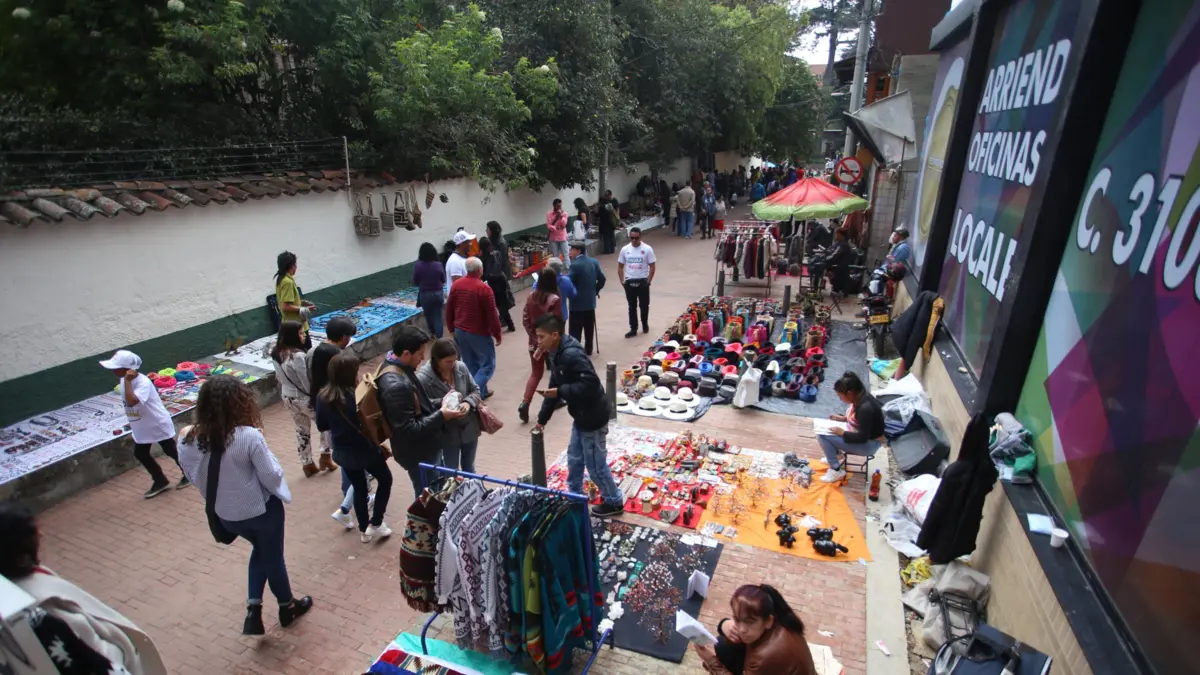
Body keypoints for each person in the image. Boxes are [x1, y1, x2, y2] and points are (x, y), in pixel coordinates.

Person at [177, 375, 313, 635]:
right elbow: (271, 475)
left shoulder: (187, 438)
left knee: (260, 550)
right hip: (262, 512)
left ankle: (254, 608)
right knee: (272, 557)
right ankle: (287, 606)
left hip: (226, 515)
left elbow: (193, 475)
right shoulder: (248, 437)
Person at [0, 502, 169, 675]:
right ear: (19, 552)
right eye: (32, 534)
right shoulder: (40, 607)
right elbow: (91, 648)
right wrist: (121, 654)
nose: (41, 535)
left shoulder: (21, 581)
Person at [531, 314, 623, 518]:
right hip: (581, 416)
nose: (538, 341)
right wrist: (542, 419)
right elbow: (554, 385)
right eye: (537, 337)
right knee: (574, 458)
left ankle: (614, 501)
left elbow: (590, 384)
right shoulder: (555, 353)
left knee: (596, 466)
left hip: (593, 417)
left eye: (541, 337)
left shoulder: (570, 355)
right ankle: (575, 496)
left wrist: (561, 392)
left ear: (555, 335)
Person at [377, 326, 468, 496]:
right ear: (406, 353)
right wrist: (442, 415)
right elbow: (409, 429)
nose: (423, 358)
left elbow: (418, 404)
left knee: (437, 490)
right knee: (428, 498)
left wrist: (441, 401)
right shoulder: (396, 385)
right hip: (419, 454)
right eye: (420, 354)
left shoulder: (397, 367)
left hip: (426, 449)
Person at [316, 352, 394, 543]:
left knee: (359, 488)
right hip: (366, 449)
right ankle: (376, 523)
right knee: (385, 480)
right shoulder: (357, 396)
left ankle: (364, 530)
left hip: (342, 451)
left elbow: (321, 425)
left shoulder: (323, 396)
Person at [99, 349, 187, 498]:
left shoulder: (142, 382)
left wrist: (127, 381)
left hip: (156, 422)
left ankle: (189, 473)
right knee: (141, 453)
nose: (113, 371)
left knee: (170, 450)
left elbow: (132, 401)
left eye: (116, 367)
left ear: (128, 370)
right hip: (142, 424)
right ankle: (160, 480)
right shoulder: (124, 380)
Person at [307, 316, 367, 526]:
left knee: (346, 459)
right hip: (342, 421)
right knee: (357, 465)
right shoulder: (337, 359)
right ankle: (348, 504)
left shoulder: (314, 352)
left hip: (329, 415)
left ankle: (350, 497)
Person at [694, 584, 816, 675]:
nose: (742, 629)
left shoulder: (763, 658)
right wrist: (724, 624)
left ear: (768, 621)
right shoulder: (778, 617)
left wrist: (711, 661)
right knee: (724, 644)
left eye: (749, 622)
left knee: (725, 647)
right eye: (737, 619)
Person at [271, 320, 336, 477]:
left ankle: (307, 463)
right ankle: (325, 455)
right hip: (303, 398)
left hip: (288, 397)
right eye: (300, 333)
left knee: (301, 430)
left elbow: (279, 377)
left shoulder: (276, 353)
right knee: (325, 425)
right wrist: (316, 397)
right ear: (292, 336)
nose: (304, 335)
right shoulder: (298, 356)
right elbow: (306, 381)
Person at [417, 338, 481, 472]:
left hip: (468, 428)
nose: (452, 364)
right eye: (448, 361)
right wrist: (445, 408)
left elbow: (475, 390)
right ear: (436, 360)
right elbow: (423, 406)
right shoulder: (423, 379)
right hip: (446, 434)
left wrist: (467, 403)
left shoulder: (461, 367)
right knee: (450, 471)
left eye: (454, 360)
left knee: (470, 467)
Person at [445, 257, 502, 398]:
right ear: (480, 270)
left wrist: (451, 328)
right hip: (478, 332)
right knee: (488, 365)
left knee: (471, 363)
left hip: (460, 330)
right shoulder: (483, 288)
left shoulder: (456, 285)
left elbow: (449, 308)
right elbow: (492, 314)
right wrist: (497, 333)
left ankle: (481, 392)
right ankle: (472, 393)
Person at [819, 371, 885, 483]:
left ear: (849, 393)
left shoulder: (865, 408)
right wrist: (843, 418)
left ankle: (836, 470)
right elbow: (860, 421)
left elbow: (863, 437)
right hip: (863, 436)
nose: (840, 399)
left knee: (822, 435)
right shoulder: (861, 397)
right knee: (825, 431)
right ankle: (835, 455)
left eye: (840, 396)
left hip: (868, 445)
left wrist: (842, 433)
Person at [518, 272, 563, 423]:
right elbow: (557, 322)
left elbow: (525, 320)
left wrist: (535, 338)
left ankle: (525, 402)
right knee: (556, 372)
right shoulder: (554, 299)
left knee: (536, 373)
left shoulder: (531, 296)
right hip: (551, 343)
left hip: (534, 343)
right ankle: (555, 399)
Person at [567, 242, 605, 355]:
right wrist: (595, 290)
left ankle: (575, 351)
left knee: (575, 330)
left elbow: (569, 282)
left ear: (578, 251)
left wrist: (570, 294)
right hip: (590, 302)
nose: (570, 252)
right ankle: (589, 349)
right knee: (589, 328)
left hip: (577, 304)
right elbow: (602, 279)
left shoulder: (575, 265)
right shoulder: (594, 262)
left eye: (572, 249)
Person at [618, 227, 656, 338]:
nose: (634, 240)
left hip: (642, 280)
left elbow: (652, 266)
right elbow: (620, 266)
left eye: (636, 238)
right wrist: (622, 281)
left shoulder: (647, 249)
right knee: (631, 307)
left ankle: (644, 324)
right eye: (632, 238)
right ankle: (633, 328)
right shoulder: (625, 249)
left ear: (640, 237)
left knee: (644, 305)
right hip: (630, 281)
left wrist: (648, 281)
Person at [274, 251, 316, 349]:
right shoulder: (287, 282)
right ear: (292, 266)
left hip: (289, 324)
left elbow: (287, 301)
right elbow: (285, 306)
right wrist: (304, 309)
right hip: (296, 326)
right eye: (295, 264)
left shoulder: (281, 279)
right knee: (305, 352)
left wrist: (302, 303)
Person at [484, 220, 517, 332]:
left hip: (500, 275)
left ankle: (505, 319)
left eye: (488, 229)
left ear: (492, 230)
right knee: (498, 298)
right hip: (495, 275)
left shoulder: (501, 243)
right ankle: (503, 317)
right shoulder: (492, 241)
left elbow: (501, 260)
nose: (486, 231)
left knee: (502, 298)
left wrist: (499, 274)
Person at [413, 242, 446, 337]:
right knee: (438, 316)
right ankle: (440, 338)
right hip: (438, 293)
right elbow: (443, 279)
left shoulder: (418, 265)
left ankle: (432, 333)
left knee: (428, 315)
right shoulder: (438, 265)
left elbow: (415, 281)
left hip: (425, 294)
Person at [868, 227, 912, 295]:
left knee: (876, 278)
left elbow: (895, 262)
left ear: (901, 237)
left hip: (894, 272)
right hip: (888, 269)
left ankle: (877, 297)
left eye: (895, 235)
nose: (893, 237)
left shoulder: (903, 247)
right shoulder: (898, 246)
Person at [810, 227, 853, 293]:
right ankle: (814, 286)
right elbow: (830, 252)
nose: (836, 236)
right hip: (833, 263)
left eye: (837, 234)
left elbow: (834, 256)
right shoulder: (838, 244)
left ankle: (815, 287)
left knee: (817, 266)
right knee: (816, 261)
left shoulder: (843, 245)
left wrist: (824, 259)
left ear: (842, 236)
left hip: (837, 266)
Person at [545, 256, 576, 324]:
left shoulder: (541, 281)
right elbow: (573, 294)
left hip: (545, 315)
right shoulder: (566, 280)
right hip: (561, 314)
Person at [445, 230, 474, 295]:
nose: (471, 244)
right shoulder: (455, 261)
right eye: (468, 242)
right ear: (462, 244)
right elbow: (458, 285)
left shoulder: (463, 258)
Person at [598, 189, 620, 254]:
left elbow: (599, 215)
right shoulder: (610, 205)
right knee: (611, 236)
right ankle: (612, 249)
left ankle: (607, 250)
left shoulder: (602, 207)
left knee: (606, 237)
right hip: (611, 222)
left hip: (605, 224)